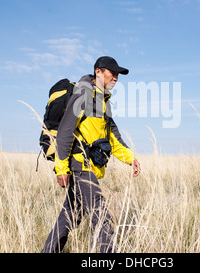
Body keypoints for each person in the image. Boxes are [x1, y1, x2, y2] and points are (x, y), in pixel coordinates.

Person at [41, 56, 141, 253]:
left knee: (69, 216)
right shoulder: (83, 95)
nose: (115, 78)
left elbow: (113, 136)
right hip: (80, 166)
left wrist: (131, 158)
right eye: (112, 73)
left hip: (92, 168)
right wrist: (61, 168)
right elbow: (65, 133)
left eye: (117, 75)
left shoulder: (104, 102)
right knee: (101, 213)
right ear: (98, 72)